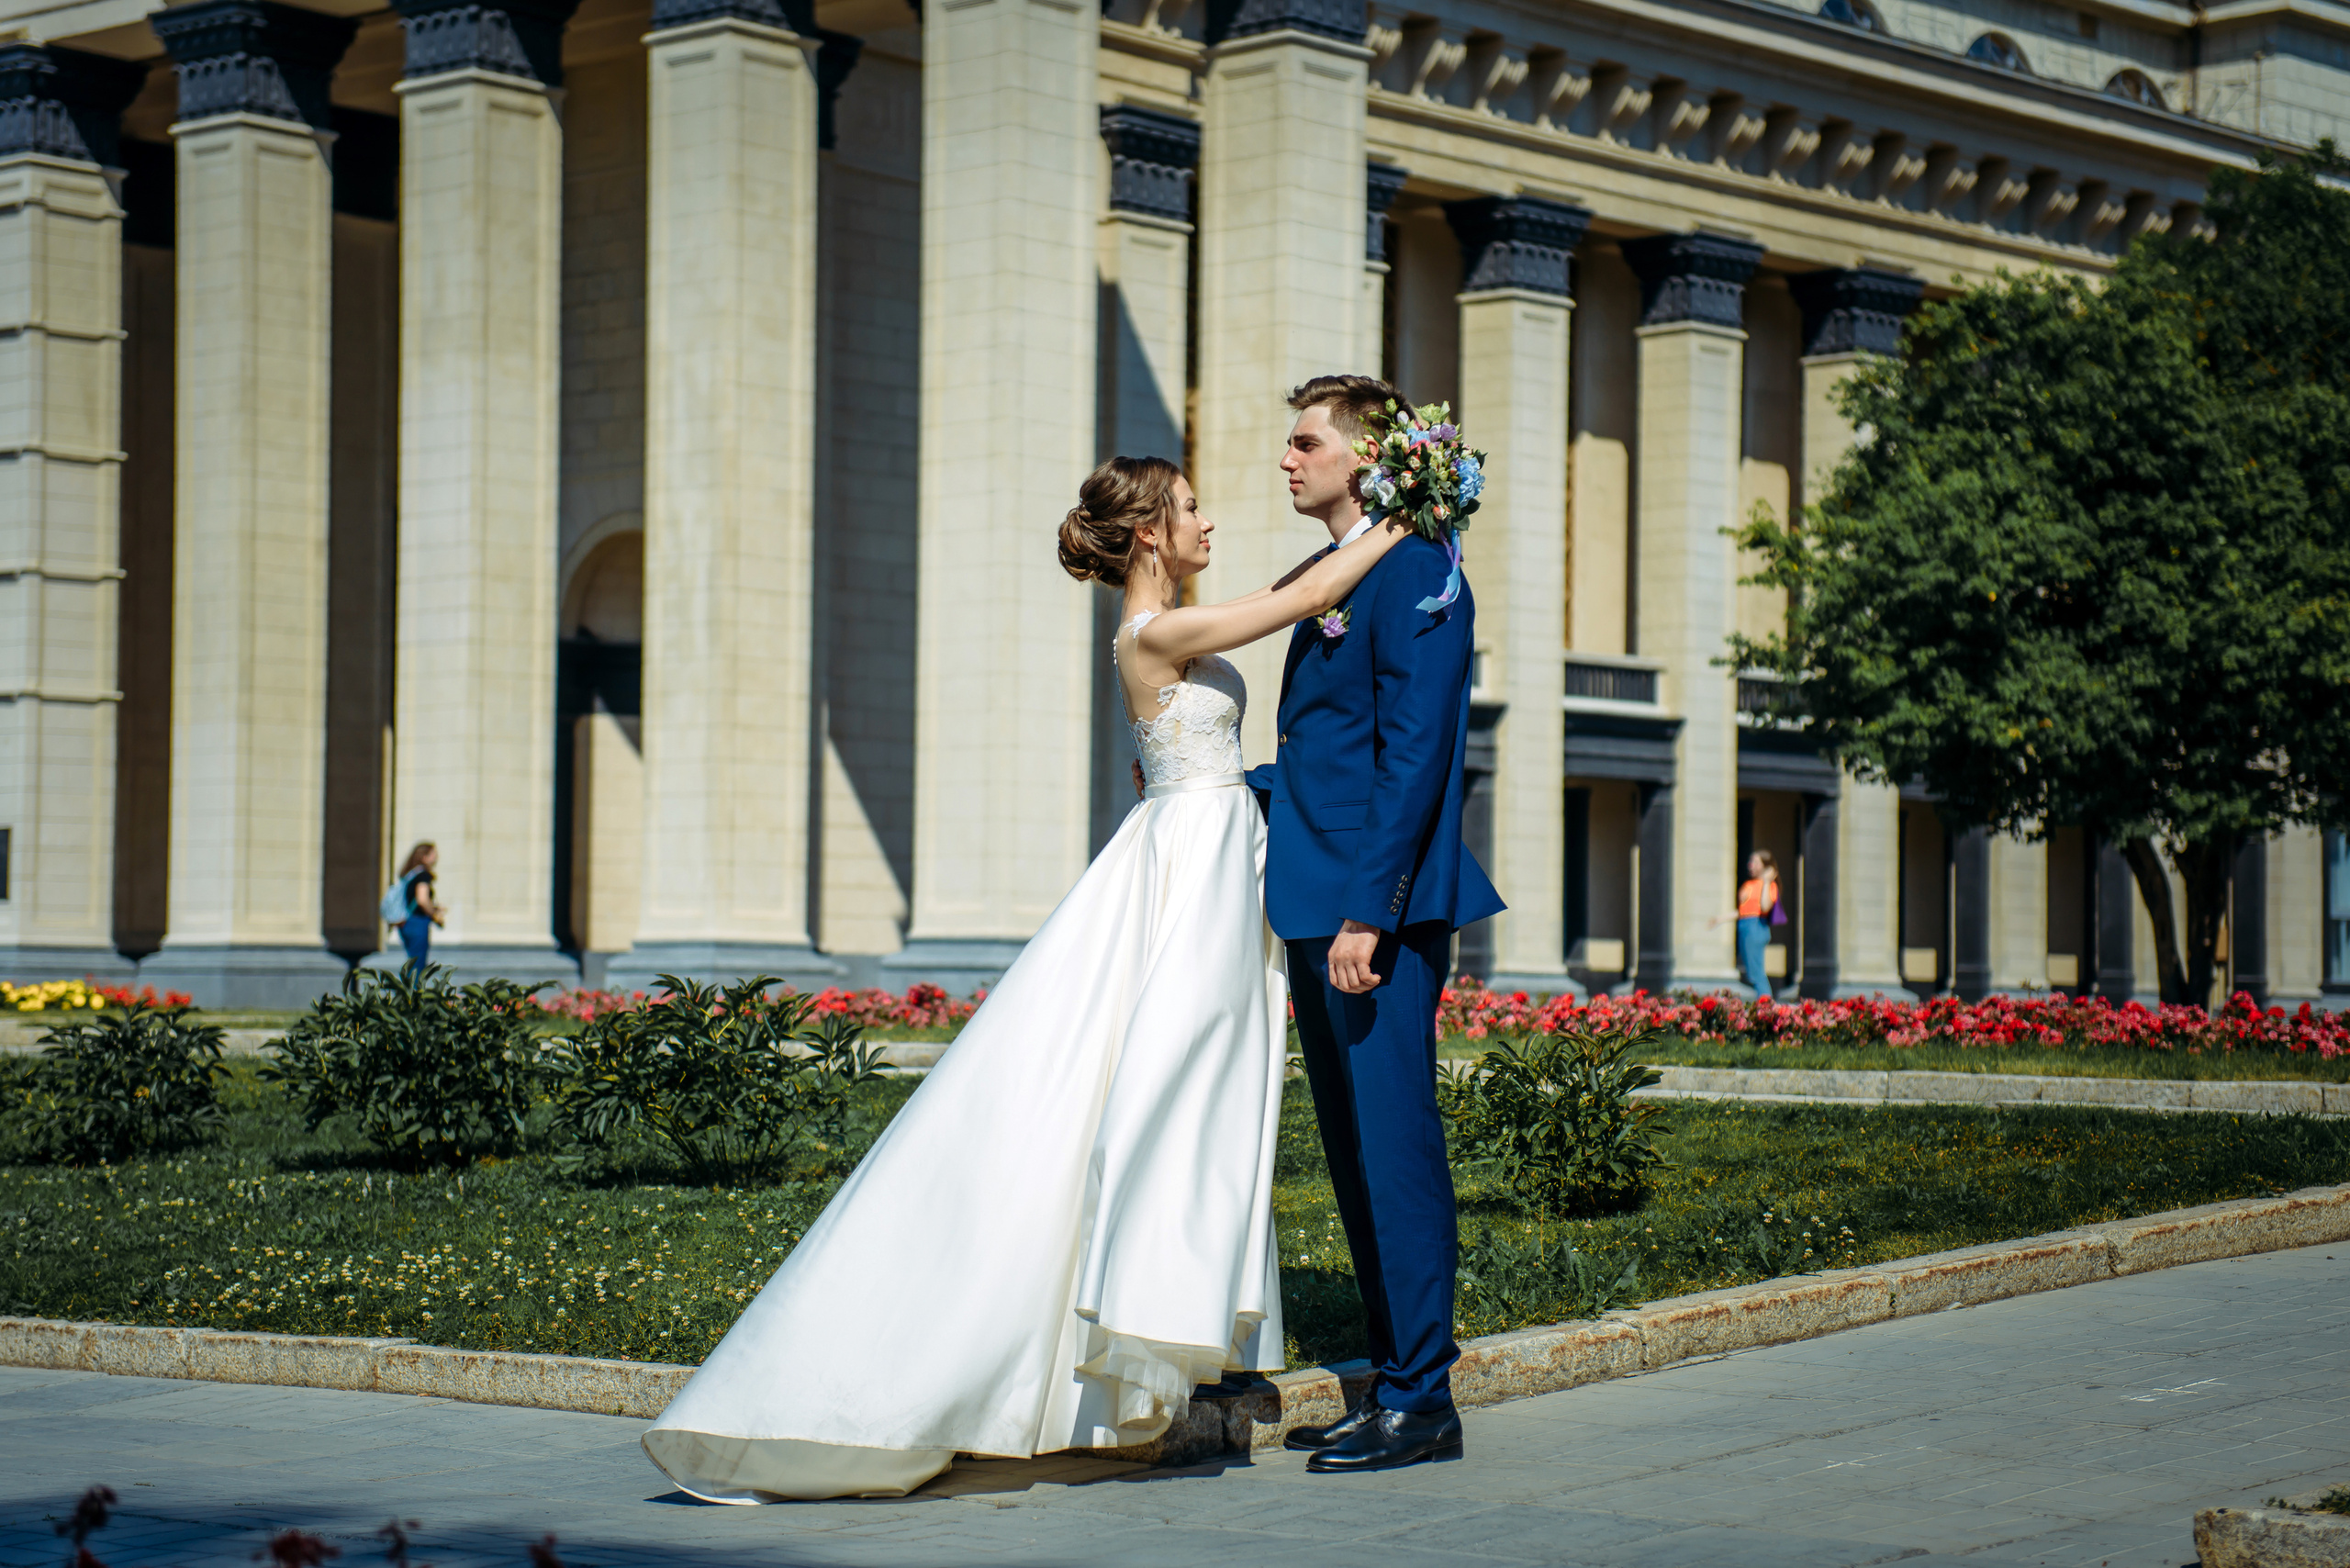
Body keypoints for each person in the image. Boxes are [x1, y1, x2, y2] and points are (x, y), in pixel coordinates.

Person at [640, 455, 1407, 1504]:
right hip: (1186, 876)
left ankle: (1171, 1335)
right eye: (1189, 508)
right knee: (1159, 1094)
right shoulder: (1152, 633)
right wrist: (1416, 507)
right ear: (1147, 535)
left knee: (1199, 1101)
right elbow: (1308, 596)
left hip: (1210, 853)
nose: (1207, 520)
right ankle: (1142, 1329)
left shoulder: (1163, 632)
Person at [1246, 375, 1505, 1476]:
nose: (1287, 458)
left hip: (1369, 914)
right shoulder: (1342, 571)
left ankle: (1423, 1401)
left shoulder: (1416, 573)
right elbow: (1329, 751)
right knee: (1352, 1156)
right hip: (1316, 897)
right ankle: (1388, 1385)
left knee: (1394, 1149)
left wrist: (1370, 912)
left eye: (1305, 441)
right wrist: (1236, 788)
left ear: (1365, 454)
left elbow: (1415, 755)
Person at [1710, 849, 1781, 998]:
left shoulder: (1770, 886)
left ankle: (1766, 1005)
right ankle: (1763, 1003)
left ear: (1766, 866)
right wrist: (1720, 919)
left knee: (1756, 972)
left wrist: (1767, 881)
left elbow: (1765, 907)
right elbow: (1743, 911)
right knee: (1751, 971)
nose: (1751, 865)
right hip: (1745, 925)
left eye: (1755, 862)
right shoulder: (1749, 884)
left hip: (1756, 926)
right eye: (1751, 862)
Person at [383, 844, 444, 972]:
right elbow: (422, 899)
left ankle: (409, 989)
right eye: (433, 854)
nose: (436, 857)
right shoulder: (423, 875)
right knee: (418, 966)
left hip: (406, 923)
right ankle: (414, 991)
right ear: (424, 857)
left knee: (412, 962)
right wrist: (435, 914)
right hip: (417, 922)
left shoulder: (411, 874)